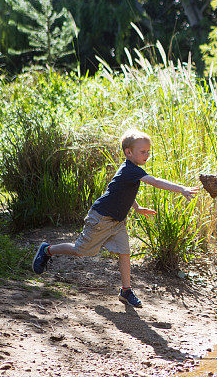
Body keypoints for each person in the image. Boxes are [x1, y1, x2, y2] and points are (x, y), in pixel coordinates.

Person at [31, 128, 199, 308]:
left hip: (118, 222)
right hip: (101, 219)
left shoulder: (132, 171)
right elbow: (156, 182)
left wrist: (137, 207)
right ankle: (47, 250)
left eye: (148, 151)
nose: (147, 155)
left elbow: (121, 193)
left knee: (125, 253)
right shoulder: (130, 169)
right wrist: (181, 189)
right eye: (143, 152)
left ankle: (126, 290)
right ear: (128, 152)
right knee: (81, 250)